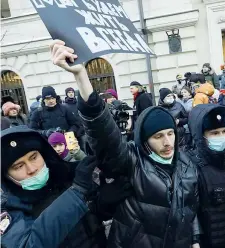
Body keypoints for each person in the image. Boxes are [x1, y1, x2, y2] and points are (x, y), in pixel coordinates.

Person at [50, 40, 201, 248]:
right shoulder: (132, 161)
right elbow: (106, 137)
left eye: (170, 134)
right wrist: (82, 78)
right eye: (158, 137)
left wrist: (195, 240)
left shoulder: (187, 165)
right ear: (144, 140)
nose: (167, 142)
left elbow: (191, 208)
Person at [0, 126, 106, 247]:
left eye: (33, 157)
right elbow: (28, 244)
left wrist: (104, 204)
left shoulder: (64, 178)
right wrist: (77, 193)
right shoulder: (8, 208)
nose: (32, 169)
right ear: (6, 176)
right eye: (18, 166)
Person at [188, 104, 225, 248]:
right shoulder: (191, 165)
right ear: (201, 136)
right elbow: (189, 209)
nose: (221, 137)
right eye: (215, 133)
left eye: (224, 131)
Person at [63, 87, 86, 151]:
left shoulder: (78, 103)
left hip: (82, 130)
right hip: (71, 132)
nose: (71, 94)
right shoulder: (64, 106)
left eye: (72, 92)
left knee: (84, 149)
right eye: (69, 92)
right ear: (66, 94)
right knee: (74, 150)